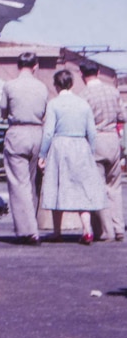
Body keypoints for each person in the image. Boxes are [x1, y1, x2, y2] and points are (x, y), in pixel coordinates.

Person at [39, 70, 105, 244]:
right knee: (82, 188)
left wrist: (42, 154)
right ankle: (87, 230)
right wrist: (90, 151)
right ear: (72, 84)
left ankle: (57, 232)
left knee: (57, 185)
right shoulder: (83, 104)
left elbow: (48, 132)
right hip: (80, 145)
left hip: (60, 145)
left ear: (56, 85)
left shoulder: (53, 104)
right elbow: (91, 131)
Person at [0, 51, 48, 245]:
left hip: (17, 133)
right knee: (33, 182)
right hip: (37, 132)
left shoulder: (10, 86)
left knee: (19, 183)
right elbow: (44, 111)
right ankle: (32, 224)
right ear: (35, 66)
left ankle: (28, 230)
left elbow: (3, 111)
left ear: (18, 66)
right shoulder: (42, 87)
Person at [79, 60, 126, 241]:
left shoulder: (83, 95)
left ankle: (106, 231)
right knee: (114, 186)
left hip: (95, 139)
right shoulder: (113, 91)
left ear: (83, 76)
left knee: (98, 186)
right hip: (113, 139)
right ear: (98, 72)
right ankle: (119, 227)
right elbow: (123, 116)